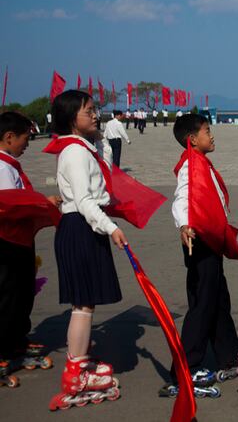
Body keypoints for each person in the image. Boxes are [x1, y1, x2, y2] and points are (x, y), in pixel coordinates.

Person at [47, 90, 127, 409]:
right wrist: (112, 227)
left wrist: (102, 142)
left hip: (82, 227)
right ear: (71, 120)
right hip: (81, 227)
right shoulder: (75, 153)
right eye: (88, 112)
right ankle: (76, 371)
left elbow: (102, 183)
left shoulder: (83, 148)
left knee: (85, 302)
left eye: (94, 110)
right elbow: (84, 201)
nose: (95, 115)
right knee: (83, 304)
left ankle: (78, 363)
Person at [157, 113, 238, 399]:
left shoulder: (200, 162)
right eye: (207, 131)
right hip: (198, 240)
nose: (212, 135)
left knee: (218, 298)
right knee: (202, 303)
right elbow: (182, 198)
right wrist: (184, 224)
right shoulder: (190, 166)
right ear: (192, 140)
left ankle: (229, 356)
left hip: (208, 240)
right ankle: (186, 367)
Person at [0, 112, 61, 383]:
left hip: (20, 240)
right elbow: (10, 206)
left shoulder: (11, 165)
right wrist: (42, 202)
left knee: (23, 292)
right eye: (26, 138)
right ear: (9, 137)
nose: (28, 143)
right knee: (7, 295)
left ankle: (17, 340)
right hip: (6, 242)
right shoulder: (2, 168)